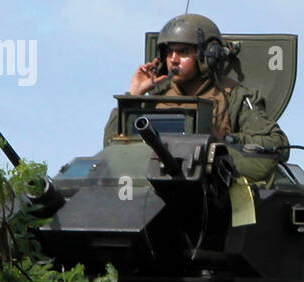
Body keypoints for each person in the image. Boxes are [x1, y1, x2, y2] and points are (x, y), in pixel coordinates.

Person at [110, 13, 289, 184]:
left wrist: (224, 139)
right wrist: (134, 94)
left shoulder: (234, 96)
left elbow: (278, 144)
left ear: (208, 55)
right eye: (169, 52)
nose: (173, 59)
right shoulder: (155, 99)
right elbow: (112, 147)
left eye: (182, 52)